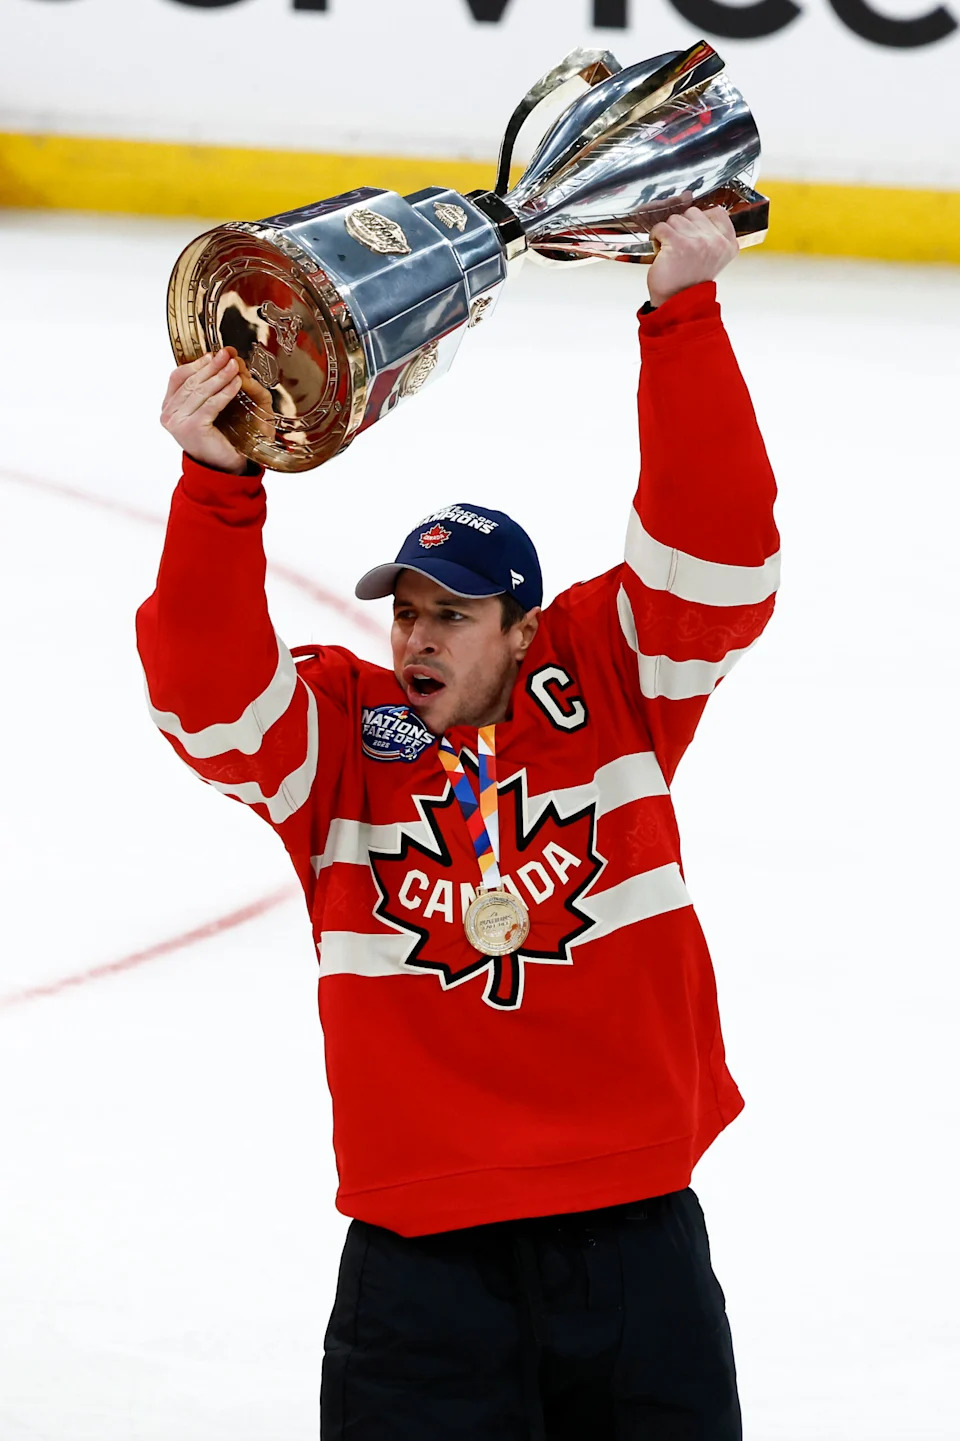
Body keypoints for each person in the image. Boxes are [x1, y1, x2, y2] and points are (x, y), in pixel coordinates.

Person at [137, 205, 780, 1440]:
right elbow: (206, 701)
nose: (421, 636)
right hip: (420, 1262)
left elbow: (720, 553)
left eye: (459, 614)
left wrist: (682, 315)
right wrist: (217, 484)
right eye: (410, 611)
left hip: (632, 1235)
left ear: (525, 626)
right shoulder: (342, 736)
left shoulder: (607, 680)